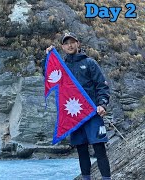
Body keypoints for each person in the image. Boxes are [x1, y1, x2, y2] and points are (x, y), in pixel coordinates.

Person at [43, 32, 111, 180]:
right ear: (62, 47)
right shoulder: (62, 67)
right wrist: (47, 57)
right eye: (66, 43)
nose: (70, 45)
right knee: (82, 150)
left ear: (78, 44)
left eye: (72, 42)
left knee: (99, 148)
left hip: (93, 113)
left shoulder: (90, 63)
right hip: (74, 114)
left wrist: (102, 104)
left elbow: (102, 86)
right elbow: (49, 76)